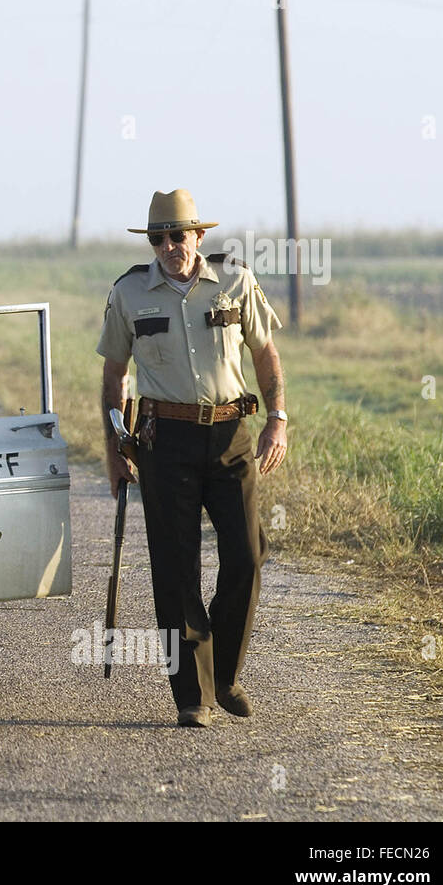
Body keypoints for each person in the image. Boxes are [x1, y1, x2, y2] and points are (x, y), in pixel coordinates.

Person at [95, 189, 288, 727]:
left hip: (232, 438)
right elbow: (115, 375)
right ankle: (192, 697)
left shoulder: (236, 282)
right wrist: (115, 451)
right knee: (176, 570)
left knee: (247, 555)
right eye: (157, 238)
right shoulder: (130, 293)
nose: (168, 246)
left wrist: (278, 419)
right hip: (164, 441)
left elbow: (265, 352)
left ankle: (224, 673)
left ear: (199, 236)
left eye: (177, 235)